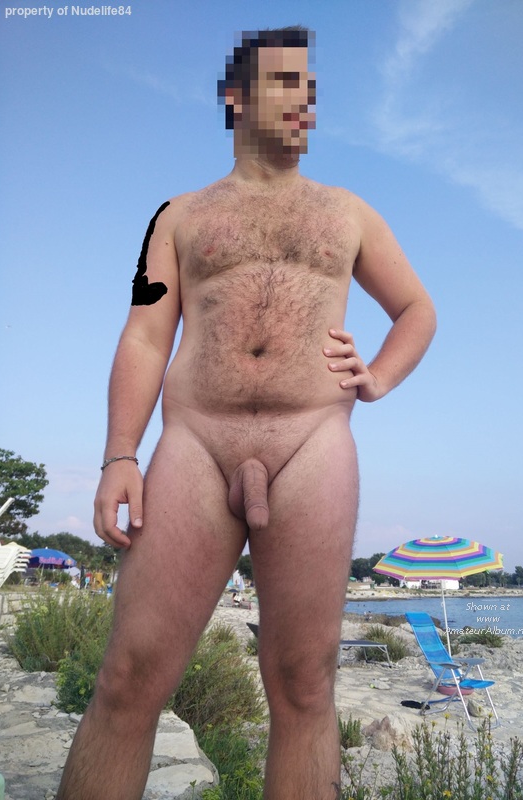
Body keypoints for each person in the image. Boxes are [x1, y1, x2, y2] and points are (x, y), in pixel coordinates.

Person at [57, 27, 436, 800]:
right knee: (128, 677)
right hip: (194, 445)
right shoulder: (178, 215)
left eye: (311, 90)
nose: (305, 101)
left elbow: (416, 311)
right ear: (235, 97)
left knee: (304, 685)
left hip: (312, 444)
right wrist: (120, 453)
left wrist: (377, 378)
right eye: (287, 83)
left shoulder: (349, 213)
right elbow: (144, 334)